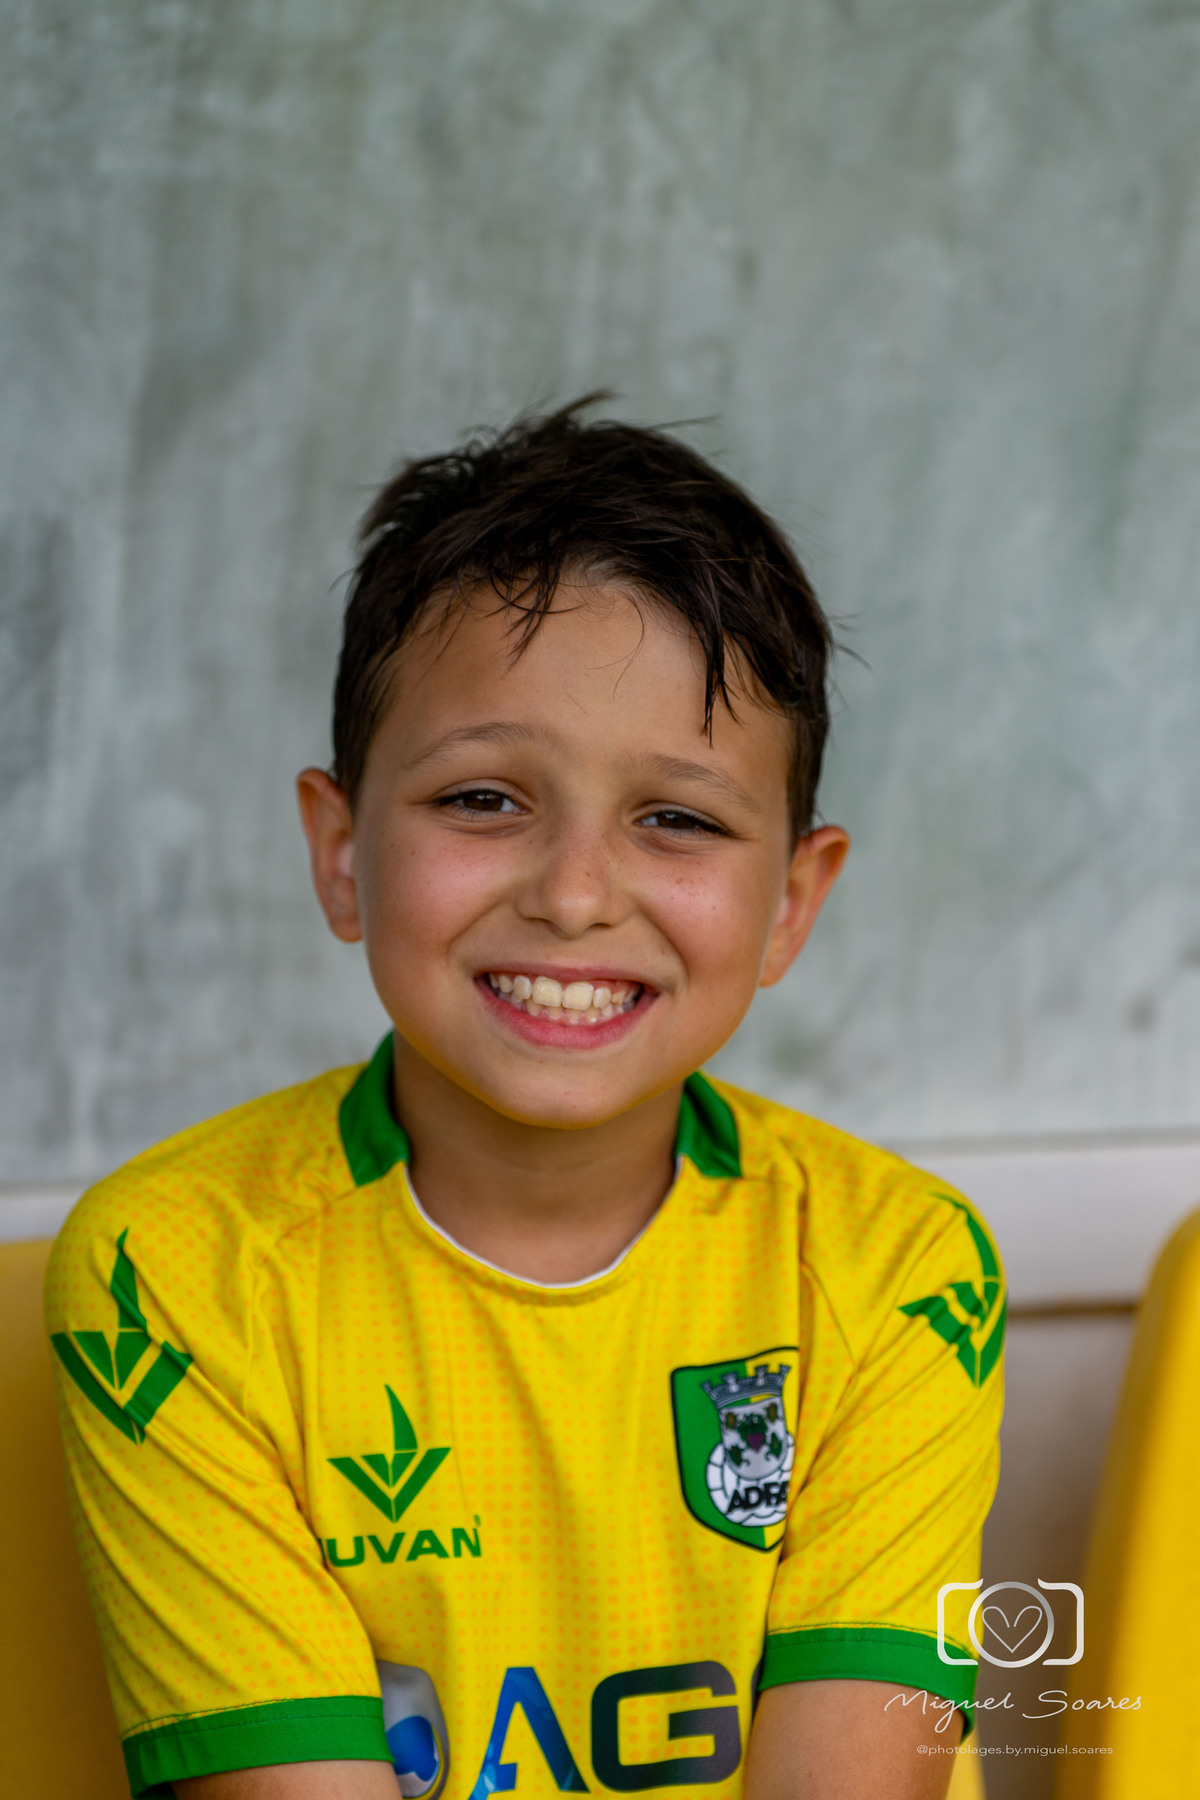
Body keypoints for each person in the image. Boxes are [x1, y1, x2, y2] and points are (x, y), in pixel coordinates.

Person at [47, 399, 1004, 1800]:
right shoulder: (171, 1279)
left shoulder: (901, 1270)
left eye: (678, 818)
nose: (573, 894)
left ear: (793, 905)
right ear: (340, 853)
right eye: (485, 799)